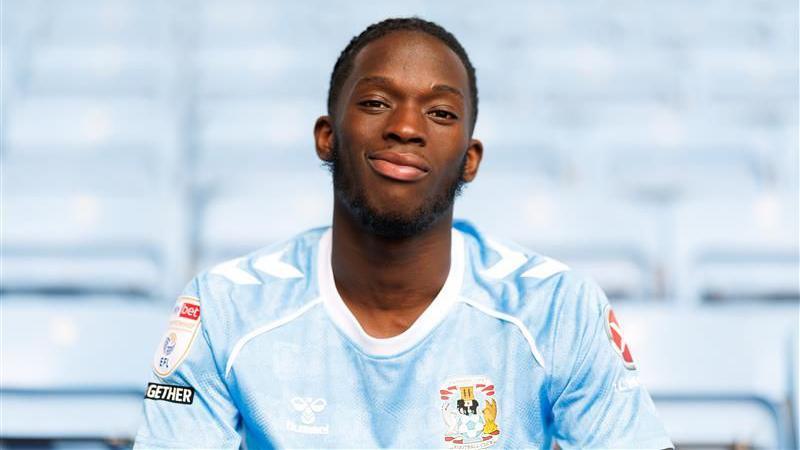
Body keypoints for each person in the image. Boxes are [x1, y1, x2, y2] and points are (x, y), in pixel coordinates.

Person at [134, 17, 673, 450]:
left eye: (440, 112)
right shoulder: (225, 308)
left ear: (470, 159)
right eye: (376, 103)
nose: (406, 128)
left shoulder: (557, 308)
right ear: (327, 136)